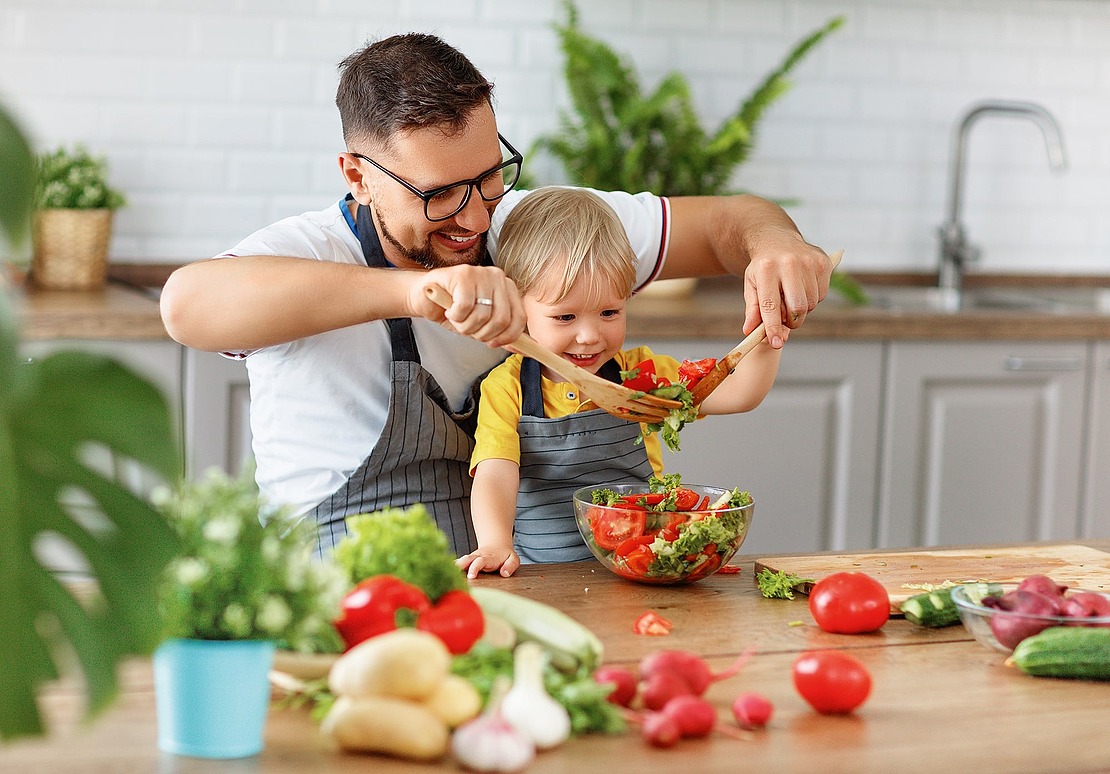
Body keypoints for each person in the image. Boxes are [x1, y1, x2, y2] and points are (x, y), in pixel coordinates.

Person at [158, 32, 835, 557]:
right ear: (357, 177)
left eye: (489, 177)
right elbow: (187, 305)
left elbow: (729, 223)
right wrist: (415, 291)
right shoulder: (306, 252)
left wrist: (775, 245)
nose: (477, 218)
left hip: (507, 578)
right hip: (340, 581)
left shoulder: (542, 230)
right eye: (439, 194)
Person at [456, 187, 781, 578]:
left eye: (609, 312)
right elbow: (496, 470)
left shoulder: (641, 373)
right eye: (565, 317)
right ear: (519, 307)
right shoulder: (507, 387)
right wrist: (494, 543)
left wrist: (770, 334)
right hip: (544, 576)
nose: (590, 335)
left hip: (641, 565)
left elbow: (739, 393)